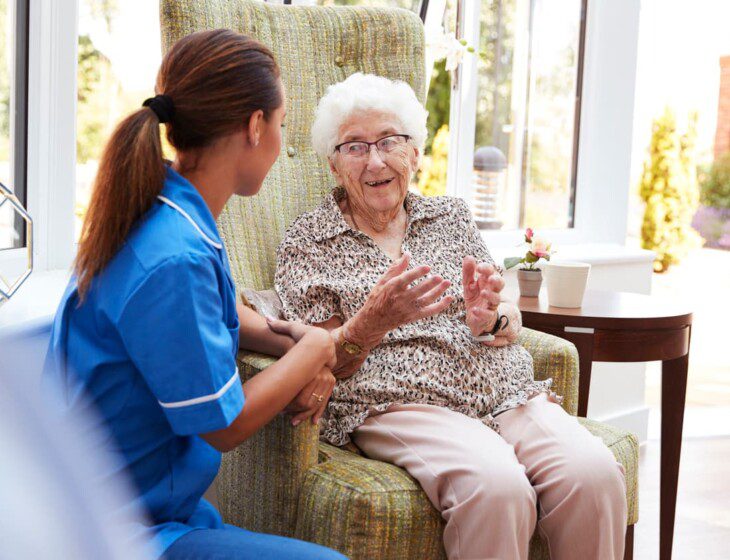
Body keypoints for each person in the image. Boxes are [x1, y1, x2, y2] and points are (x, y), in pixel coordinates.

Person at [273, 72, 628, 560]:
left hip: (503, 391)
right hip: (399, 402)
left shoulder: (452, 217)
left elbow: (506, 317)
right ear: (334, 165)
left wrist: (492, 319)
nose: (374, 160)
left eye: (389, 142)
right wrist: (370, 322)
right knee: (497, 487)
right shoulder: (309, 241)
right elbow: (319, 361)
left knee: (593, 474)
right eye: (354, 147)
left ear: (414, 154)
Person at [44, 29, 346, 560]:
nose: (279, 141)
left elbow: (201, 314)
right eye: (280, 124)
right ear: (255, 126)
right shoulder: (175, 257)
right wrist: (315, 351)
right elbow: (222, 428)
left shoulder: (161, 210)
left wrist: (284, 339)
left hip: (142, 509)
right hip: (115, 532)